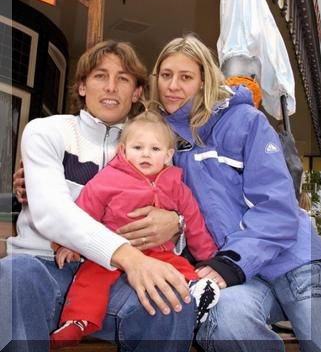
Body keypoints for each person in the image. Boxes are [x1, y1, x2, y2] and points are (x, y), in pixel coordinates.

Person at [1, 40, 196, 352]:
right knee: (14, 275)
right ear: (81, 86)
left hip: (116, 280)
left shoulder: (153, 148)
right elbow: (54, 212)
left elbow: (177, 213)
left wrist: (177, 224)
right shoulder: (46, 132)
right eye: (99, 76)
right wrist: (128, 256)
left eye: (123, 79)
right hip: (46, 268)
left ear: (136, 93)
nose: (110, 87)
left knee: (172, 299)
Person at [148, 35, 321, 352]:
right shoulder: (156, 139)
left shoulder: (245, 121)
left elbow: (277, 207)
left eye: (186, 77)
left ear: (204, 82)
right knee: (227, 322)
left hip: (292, 259)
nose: (173, 85)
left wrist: (230, 263)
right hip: (238, 277)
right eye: (165, 75)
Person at [50, 110, 220, 348]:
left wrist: (209, 258)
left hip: (159, 253)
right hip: (110, 251)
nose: (145, 155)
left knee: (178, 269)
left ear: (168, 154)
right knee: (89, 279)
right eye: (138, 148)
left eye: (155, 149)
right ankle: (77, 320)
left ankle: (197, 290)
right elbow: (83, 211)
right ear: (124, 150)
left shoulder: (176, 185)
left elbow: (193, 221)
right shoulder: (109, 179)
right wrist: (67, 243)